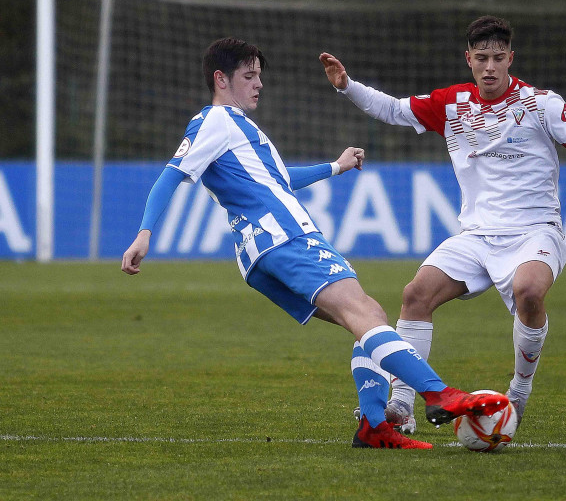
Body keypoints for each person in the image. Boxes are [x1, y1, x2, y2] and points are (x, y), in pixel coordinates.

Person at [121, 37, 508, 450]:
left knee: (366, 316)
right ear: (221, 79)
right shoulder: (217, 121)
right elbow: (172, 174)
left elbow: (278, 178)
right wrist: (145, 233)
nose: (259, 85)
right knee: (363, 312)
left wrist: (335, 167)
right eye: (249, 76)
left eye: (259, 76)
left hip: (258, 256)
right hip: (285, 237)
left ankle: (374, 426)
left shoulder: (235, 129)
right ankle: (439, 394)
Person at [319, 15, 566, 433]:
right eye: (482, 58)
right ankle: (402, 405)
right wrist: (347, 86)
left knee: (529, 291)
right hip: (476, 236)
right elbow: (391, 109)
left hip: (536, 230)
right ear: (469, 60)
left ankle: (519, 390)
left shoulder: (540, 103)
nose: (491, 66)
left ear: (511, 58)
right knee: (414, 295)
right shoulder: (452, 103)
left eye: (498, 58)